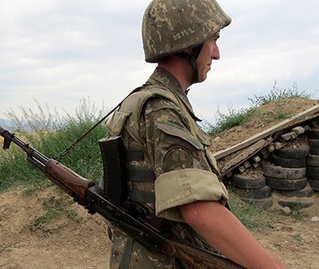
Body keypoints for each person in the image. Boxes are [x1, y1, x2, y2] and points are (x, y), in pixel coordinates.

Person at [103, 0, 286, 268]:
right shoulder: (161, 109)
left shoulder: (138, 102)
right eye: (213, 40)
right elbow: (199, 210)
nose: (216, 54)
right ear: (189, 44)